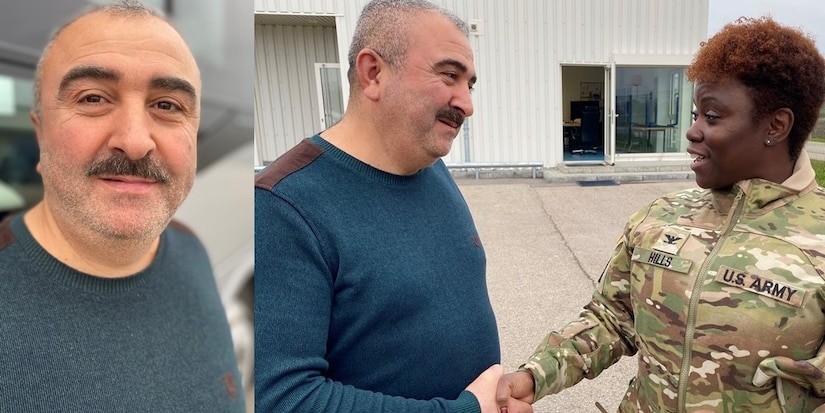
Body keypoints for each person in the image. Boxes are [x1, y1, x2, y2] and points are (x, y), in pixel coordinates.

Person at [496, 16, 825, 413]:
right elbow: (612, 318)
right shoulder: (660, 218)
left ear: (776, 125)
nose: (693, 131)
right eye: (694, 115)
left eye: (712, 116)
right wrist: (534, 375)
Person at [254, 1, 531, 412]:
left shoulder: (429, 167)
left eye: (469, 84)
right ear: (373, 73)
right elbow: (282, 397)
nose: (467, 103)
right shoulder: (283, 206)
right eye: (449, 75)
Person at [0, 1, 245, 411]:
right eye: (94, 98)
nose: (135, 141)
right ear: (39, 135)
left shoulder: (190, 250)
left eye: (167, 105)